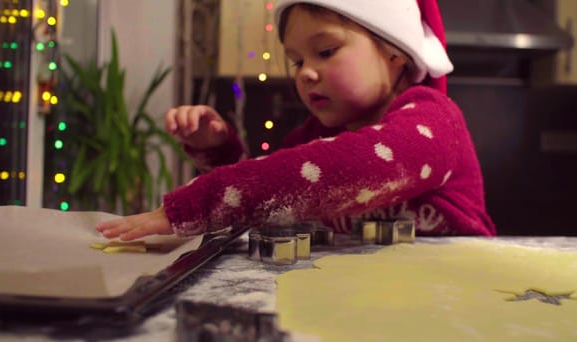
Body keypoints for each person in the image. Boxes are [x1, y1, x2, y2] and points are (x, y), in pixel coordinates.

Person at [96, 0, 496, 241]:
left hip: (458, 295)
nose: (305, 72)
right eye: (297, 60)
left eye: (325, 51)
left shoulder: (434, 120)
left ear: (396, 53)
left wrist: (195, 205)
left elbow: (352, 167)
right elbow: (272, 196)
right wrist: (217, 150)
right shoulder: (314, 137)